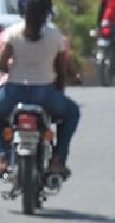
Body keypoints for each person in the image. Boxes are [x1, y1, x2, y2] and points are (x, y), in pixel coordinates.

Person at [0, 0, 80, 176]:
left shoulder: (13, 33)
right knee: (72, 112)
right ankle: (57, 160)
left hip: (14, 93)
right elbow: (60, 70)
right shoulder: (54, 36)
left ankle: (2, 157)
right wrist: (60, 91)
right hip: (45, 94)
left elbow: (3, 64)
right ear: (48, 13)